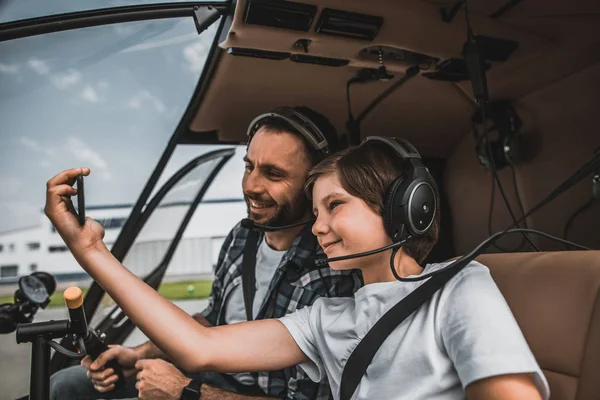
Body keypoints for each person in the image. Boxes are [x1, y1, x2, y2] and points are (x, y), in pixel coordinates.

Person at [45, 136, 550, 400]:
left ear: (401, 210)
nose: (319, 226)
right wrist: (91, 253)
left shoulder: (458, 286)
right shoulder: (326, 318)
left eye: (336, 206)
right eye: (315, 211)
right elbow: (198, 348)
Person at [49, 106, 362, 400]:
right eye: (249, 166)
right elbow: (213, 319)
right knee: (67, 384)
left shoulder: (335, 270)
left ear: (314, 185)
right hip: (208, 377)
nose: (251, 185)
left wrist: (186, 392)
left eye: (273, 174)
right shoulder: (242, 237)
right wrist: (140, 354)